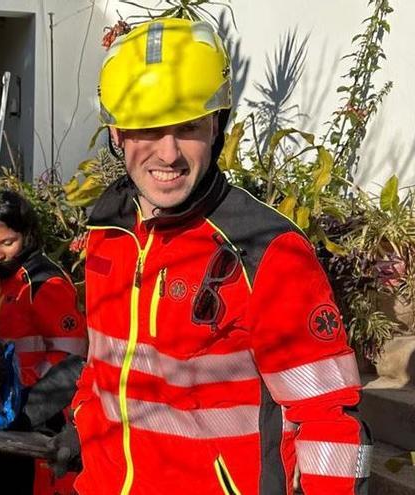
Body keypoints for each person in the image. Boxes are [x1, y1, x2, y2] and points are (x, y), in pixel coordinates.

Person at [68, 18, 371, 494]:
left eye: (188, 126)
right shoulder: (108, 231)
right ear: (117, 133)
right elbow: (104, 365)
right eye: (148, 127)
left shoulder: (267, 250)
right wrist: (83, 421)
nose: (168, 153)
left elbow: (326, 417)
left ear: (216, 127)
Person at [0, 190, 87, 495]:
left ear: (27, 236)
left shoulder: (43, 284)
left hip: (35, 419)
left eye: (7, 243)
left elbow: (72, 358)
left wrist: (26, 408)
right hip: (0, 411)